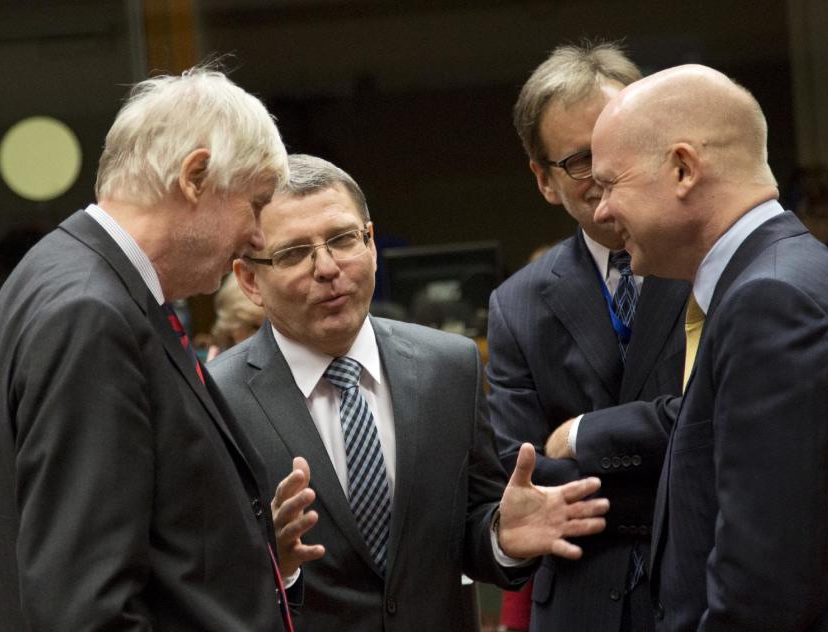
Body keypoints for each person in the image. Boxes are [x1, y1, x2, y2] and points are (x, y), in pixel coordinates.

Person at [0, 67, 322, 631]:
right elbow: (86, 609)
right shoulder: (89, 314)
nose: (258, 238)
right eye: (255, 205)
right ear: (195, 176)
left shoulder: (65, 279)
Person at [590, 64, 828, 630]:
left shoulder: (771, 302)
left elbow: (765, 595)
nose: (599, 210)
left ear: (682, 168)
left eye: (609, 184)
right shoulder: (786, 276)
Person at [209, 154, 610, 632]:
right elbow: (201, 580)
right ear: (250, 279)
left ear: (371, 243)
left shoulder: (451, 366)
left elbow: (467, 530)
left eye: (342, 240)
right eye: (294, 252)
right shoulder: (215, 398)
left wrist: (502, 537)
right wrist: (274, 564)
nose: (328, 267)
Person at [488, 41, 690, 632]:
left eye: (615, 149)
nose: (601, 173)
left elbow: (719, 426)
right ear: (544, 179)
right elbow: (518, 470)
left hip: (700, 585)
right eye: (579, 160)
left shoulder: (710, 266)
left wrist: (582, 436)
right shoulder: (517, 304)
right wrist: (665, 469)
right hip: (579, 599)